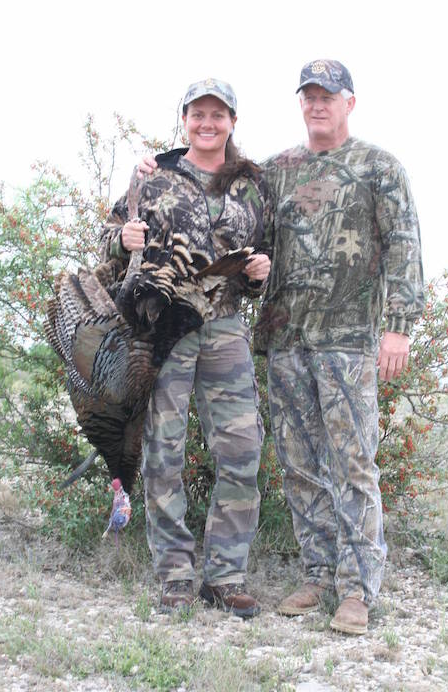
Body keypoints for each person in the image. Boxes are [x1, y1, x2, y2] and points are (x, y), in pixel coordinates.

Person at [253, 60, 424, 634]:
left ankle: (357, 589)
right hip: (287, 337)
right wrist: (162, 163)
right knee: (300, 463)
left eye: (328, 95)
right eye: (309, 95)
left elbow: (403, 244)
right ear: (300, 103)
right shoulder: (277, 171)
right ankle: (318, 574)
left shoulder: (380, 167)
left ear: (350, 102)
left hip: (349, 341)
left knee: (353, 463)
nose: (317, 104)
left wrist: (397, 325)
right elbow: (229, 203)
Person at [100, 78, 271, 618]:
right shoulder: (155, 176)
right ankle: (174, 576)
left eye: (218, 115)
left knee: (242, 454)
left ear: (232, 122)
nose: (207, 123)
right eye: (198, 113)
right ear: (184, 119)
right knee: (162, 453)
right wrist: (121, 238)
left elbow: (263, 258)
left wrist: (261, 275)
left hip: (224, 329)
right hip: (164, 331)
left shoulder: (251, 186)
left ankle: (225, 577)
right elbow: (109, 243)